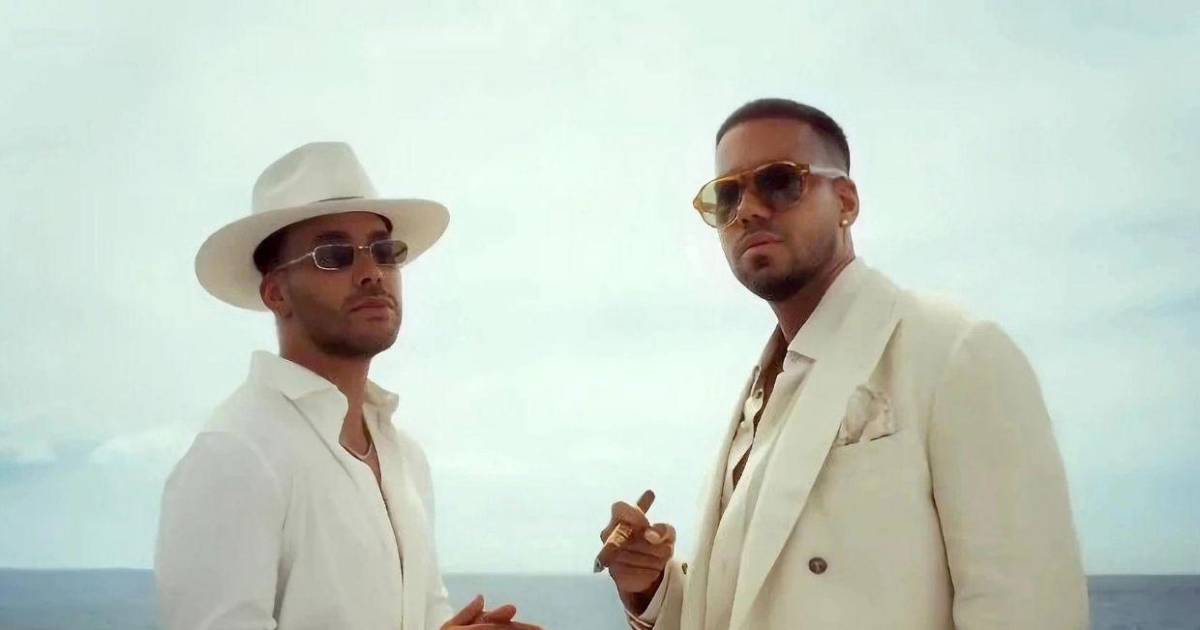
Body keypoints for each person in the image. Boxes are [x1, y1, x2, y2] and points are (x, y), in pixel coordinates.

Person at [599, 99, 1089, 630]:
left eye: (779, 182)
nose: (750, 210)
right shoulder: (761, 393)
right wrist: (650, 587)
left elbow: (1030, 610)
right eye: (728, 195)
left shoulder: (954, 351)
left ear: (845, 202)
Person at [156, 142, 539, 630]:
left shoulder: (405, 457)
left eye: (384, 251)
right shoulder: (236, 452)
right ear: (276, 293)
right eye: (334, 255)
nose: (372, 273)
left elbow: (423, 614)